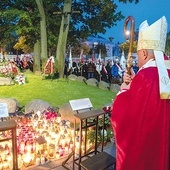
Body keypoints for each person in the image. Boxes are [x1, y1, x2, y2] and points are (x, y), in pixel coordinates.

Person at [111, 16, 170, 170]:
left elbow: (126, 116)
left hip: (148, 152)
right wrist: (134, 83)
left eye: (137, 55)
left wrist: (124, 88)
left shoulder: (145, 76)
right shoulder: (165, 71)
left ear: (144, 53)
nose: (137, 60)